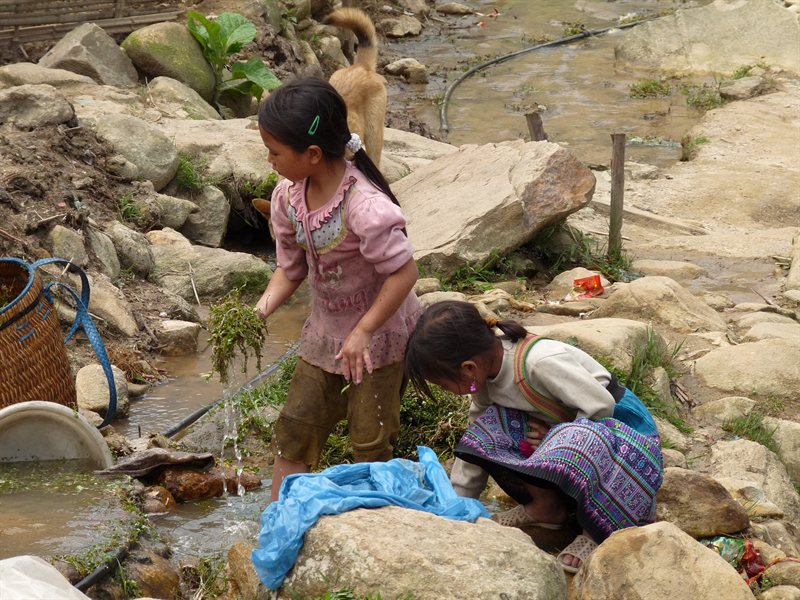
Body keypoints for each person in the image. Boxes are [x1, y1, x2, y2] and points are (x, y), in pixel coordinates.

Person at [254, 77, 423, 502]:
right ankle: (278, 518)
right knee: (295, 429)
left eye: (275, 152)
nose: (269, 159)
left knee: (369, 439)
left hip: (378, 338)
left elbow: (405, 274)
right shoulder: (288, 198)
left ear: (312, 154)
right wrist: (259, 310)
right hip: (325, 334)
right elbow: (290, 270)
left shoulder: (366, 207)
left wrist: (364, 331)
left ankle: (376, 525)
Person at [405, 300, 664, 573]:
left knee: (578, 437)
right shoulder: (485, 380)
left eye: (443, 384)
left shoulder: (539, 362)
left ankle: (594, 532)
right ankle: (545, 508)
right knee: (485, 431)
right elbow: (474, 443)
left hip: (625, 439)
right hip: (571, 438)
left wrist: (555, 434)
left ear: (469, 368)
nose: (446, 391)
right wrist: (456, 507)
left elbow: (600, 407)